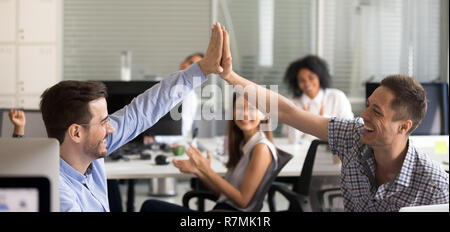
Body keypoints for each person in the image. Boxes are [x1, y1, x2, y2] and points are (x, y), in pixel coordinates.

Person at [216, 24, 448, 211]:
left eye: (376, 111)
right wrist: (230, 76)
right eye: (368, 106)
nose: (363, 116)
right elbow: (287, 112)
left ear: (403, 127)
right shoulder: (353, 135)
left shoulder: (434, 185)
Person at [39, 22, 225, 212]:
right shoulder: (60, 197)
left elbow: (143, 110)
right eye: (104, 122)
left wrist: (201, 69)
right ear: (76, 132)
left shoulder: (87, 152)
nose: (111, 129)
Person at [141, 93, 278, 212]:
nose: (245, 114)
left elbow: (243, 201)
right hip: (222, 209)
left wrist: (207, 170)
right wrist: (199, 171)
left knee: (150, 206)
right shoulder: (245, 144)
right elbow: (223, 194)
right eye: (240, 107)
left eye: (253, 108)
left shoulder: (261, 148)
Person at [282, 55, 354, 143]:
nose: (307, 83)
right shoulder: (292, 103)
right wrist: (303, 121)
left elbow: (350, 130)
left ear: (319, 77)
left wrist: (324, 120)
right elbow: (288, 137)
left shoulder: (337, 97)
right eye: (302, 80)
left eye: (311, 78)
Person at [145, 52, 205, 144]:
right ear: (182, 63)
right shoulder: (161, 83)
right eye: (191, 63)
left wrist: (155, 139)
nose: (192, 68)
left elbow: (182, 132)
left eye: (197, 68)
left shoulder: (190, 97)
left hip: (156, 143)